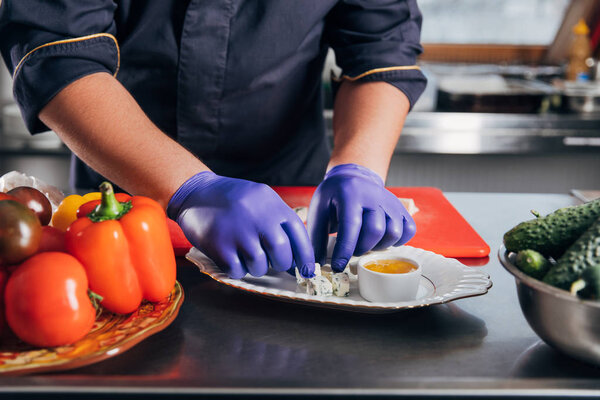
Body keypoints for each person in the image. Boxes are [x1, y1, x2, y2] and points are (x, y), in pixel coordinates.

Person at [0, 1, 426, 279]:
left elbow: (382, 45)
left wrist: (359, 167)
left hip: (292, 186)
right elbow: (56, 49)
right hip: (125, 201)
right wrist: (189, 187)